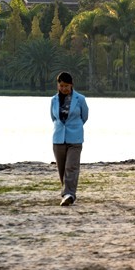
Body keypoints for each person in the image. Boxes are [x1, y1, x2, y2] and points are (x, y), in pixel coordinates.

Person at [50, 71, 89, 206]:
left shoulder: (80, 99)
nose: (64, 88)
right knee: (62, 169)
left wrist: (75, 127)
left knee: (71, 167)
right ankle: (67, 193)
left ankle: (69, 194)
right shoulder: (53, 100)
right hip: (58, 139)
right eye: (61, 85)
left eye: (66, 85)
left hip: (75, 138)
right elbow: (54, 118)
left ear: (71, 85)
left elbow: (84, 117)